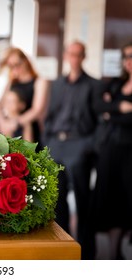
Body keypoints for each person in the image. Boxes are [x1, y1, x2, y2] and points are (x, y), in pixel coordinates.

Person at [42, 40, 103, 259]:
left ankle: (86, 253)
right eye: (71, 54)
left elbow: (99, 121)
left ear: (83, 57)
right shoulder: (57, 84)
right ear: (66, 56)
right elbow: (49, 116)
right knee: (57, 202)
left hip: (80, 144)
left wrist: (89, 146)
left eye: (78, 54)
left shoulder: (94, 85)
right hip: (57, 144)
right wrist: (47, 143)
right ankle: (62, 250)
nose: (74, 58)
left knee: (82, 199)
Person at [90, 41, 132, 259]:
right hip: (110, 149)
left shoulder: (115, 90)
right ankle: (114, 254)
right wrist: (120, 107)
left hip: (130, 152)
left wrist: (112, 112)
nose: (128, 61)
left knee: (128, 199)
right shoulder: (115, 84)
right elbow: (98, 106)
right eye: (125, 56)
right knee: (111, 200)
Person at [0, 47, 49, 148]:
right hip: (9, 131)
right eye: (11, 66)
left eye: (17, 64)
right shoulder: (11, 82)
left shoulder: (39, 81)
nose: (15, 68)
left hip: (30, 133)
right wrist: (3, 123)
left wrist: (15, 123)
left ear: (25, 61)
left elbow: (37, 110)